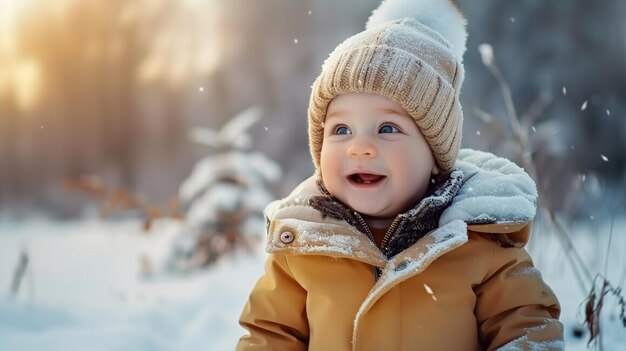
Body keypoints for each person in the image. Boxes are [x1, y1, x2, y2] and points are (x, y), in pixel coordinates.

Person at [237, 0, 564, 350]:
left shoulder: (481, 243)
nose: (359, 147)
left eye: (388, 127)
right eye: (342, 129)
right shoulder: (302, 248)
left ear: (435, 155)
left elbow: (528, 329)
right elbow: (269, 336)